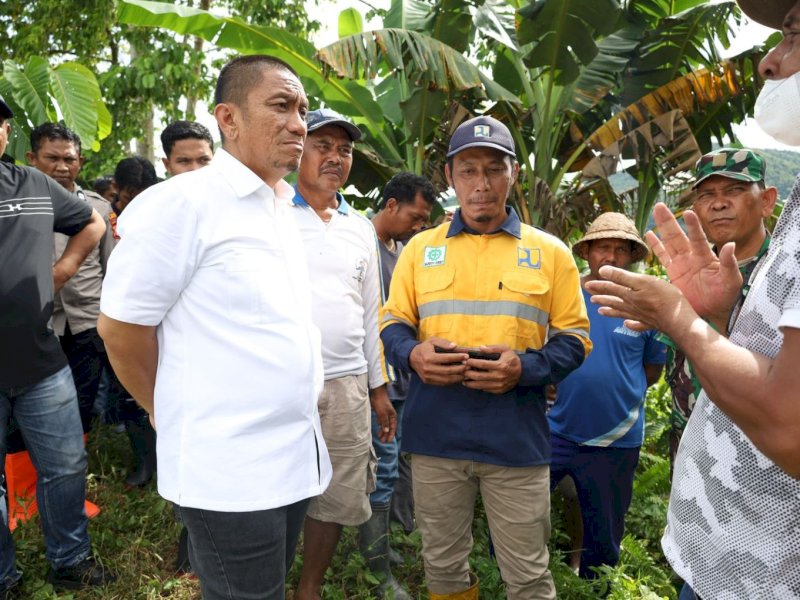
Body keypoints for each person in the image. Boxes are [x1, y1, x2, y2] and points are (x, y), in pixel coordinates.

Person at [586, 1, 800, 596]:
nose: (769, 62)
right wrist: (718, 316)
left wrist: (680, 319)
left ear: (766, 199)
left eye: (794, 34)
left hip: (765, 575)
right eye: (708, 193)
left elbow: (790, 427)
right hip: (718, 547)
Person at [98, 55, 331, 600]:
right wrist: (164, 408)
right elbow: (122, 330)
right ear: (229, 119)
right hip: (231, 470)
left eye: (302, 109)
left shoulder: (280, 207)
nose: (298, 124)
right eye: (281, 106)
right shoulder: (182, 205)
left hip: (295, 457)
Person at [380, 115, 592, 600]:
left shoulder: (550, 253)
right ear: (450, 177)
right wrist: (412, 354)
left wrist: (525, 368)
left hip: (515, 438)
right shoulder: (419, 250)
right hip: (436, 436)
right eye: (469, 170)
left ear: (513, 174)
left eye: (494, 169)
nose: (482, 184)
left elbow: (575, 338)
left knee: (528, 575)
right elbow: (392, 323)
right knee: (442, 568)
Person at [0, 96, 113, 594]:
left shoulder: (31, 183)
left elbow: (91, 223)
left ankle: (70, 560)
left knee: (65, 466)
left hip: (40, 360)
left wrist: (62, 270)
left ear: (7, 134)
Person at [289, 108, 395, 600]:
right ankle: (265, 578)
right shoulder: (271, 212)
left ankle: (308, 587)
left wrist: (378, 389)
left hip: (348, 382)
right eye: (323, 146)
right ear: (298, 150)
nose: (335, 157)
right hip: (285, 381)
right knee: (277, 486)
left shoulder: (360, 228)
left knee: (336, 494)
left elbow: (372, 312)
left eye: (345, 149)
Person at [547, 212, 666, 578]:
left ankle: (594, 589)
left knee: (603, 536)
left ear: (632, 255)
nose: (611, 256)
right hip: (554, 429)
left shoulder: (645, 303)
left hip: (615, 439)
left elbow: (652, 370)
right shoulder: (564, 294)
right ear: (587, 252)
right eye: (602, 248)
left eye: (620, 249)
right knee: (522, 511)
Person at [664, 148, 775, 468]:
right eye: (707, 195)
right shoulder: (684, 274)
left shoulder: (784, 274)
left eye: (734, 190)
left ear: (767, 201)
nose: (718, 203)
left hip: (760, 456)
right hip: (689, 449)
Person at [359, 172, 436, 593]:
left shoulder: (403, 250)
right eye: (415, 217)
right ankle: (377, 572)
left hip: (403, 378)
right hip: (379, 382)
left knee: (392, 465)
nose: (419, 226)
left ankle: (380, 548)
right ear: (391, 205)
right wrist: (378, 385)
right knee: (382, 468)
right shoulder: (362, 244)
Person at [25, 122, 115, 434]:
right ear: (32, 158)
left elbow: (112, 266)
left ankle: (78, 455)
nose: (62, 167)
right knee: (35, 402)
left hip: (87, 321)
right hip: (36, 321)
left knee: (82, 400)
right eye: (52, 158)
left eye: (69, 159)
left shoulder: (98, 207)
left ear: (80, 162)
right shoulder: (17, 205)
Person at [158, 120, 216, 574]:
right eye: (184, 161)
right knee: (186, 456)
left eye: (204, 161)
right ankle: (191, 540)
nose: (195, 170)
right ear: (166, 164)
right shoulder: (155, 218)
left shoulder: (238, 210)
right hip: (174, 362)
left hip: (221, 364)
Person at [109, 155, 160, 489]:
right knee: (128, 395)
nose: (136, 204)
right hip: (119, 315)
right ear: (118, 190)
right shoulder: (107, 216)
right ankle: (144, 461)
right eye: (130, 197)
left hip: (158, 314)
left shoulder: (165, 210)